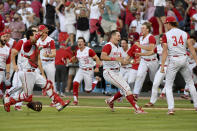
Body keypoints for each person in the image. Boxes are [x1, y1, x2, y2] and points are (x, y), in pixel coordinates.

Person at [3, 29, 70, 112]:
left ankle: (60, 103)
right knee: (27, 97)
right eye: (34, 34)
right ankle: (8, 102)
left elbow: (37, 59)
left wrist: (42, 72)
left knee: (47, 85)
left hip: (33, 72)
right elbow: (32, 41)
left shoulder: (35, 45)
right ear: (30, 36)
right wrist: (40, 33)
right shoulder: (27, 44)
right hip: (26, 73)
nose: (36, 36)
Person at [100, 30, 146, 114]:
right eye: (118, 36)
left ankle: (110, 100)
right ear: (112, 36)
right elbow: (102, 56)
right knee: (126, 88)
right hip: (109, 72)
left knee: (122, 90)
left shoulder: (117, 48)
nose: (119, 37)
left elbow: (122, 62)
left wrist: (132, 62)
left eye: (119, 36)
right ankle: (137, 109)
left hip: (117, 71)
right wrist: (115, 59)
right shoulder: (108, 45)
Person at [161, 16, 197, 115]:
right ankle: (196, 106)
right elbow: (191, 48)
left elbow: (164, 51)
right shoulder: (184, 33)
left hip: (174, 59)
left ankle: (171, 108)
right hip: (184, 58)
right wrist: (196, 61)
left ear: (169, 23)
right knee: (190, 83)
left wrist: (162, 65)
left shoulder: (166, 35)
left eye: (166, 24)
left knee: (168, 85)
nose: (166, 26)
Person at [69, 37, 101, 105]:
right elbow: (77, 59)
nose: (79, 43)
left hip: (89, 70)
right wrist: (72, 60)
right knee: (75, 83)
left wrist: (97, 67)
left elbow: (97, 58)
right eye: (78, 42)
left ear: (84, 43)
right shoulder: (77, 51)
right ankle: (75, 101)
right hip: (81, 69)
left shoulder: (89, 50)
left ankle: (95, 81)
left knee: (88, 91)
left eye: (81, 41)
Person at [133, 22, 158, 100]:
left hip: (152, 60)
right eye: (141, 28)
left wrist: (139, 46)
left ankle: (165, 84)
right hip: (144, 60)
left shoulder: (151, 37)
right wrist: (140, 55)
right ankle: (135, 94)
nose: (141, 29)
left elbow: (151, 48)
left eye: (143, 28)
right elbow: (144, 50)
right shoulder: (141, 37)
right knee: (139, 75)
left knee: (154, 79)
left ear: (148, 29)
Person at [144, 34, 168, 107]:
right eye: (160, 40)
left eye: (162, 40)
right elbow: (151, 52)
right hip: (161, 66)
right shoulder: (158, 47)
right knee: (155, 84)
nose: (161, 42)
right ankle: (152, 102)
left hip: (171, 67)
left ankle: (163, 93)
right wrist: (141, 54)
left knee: (169, 82)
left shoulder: (170, 47)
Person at [36, 25, 56, 92]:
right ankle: (44, 87)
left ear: (45, 31)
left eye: (41, 30)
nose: (39, 32)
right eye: (39, 30)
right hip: (41, 62)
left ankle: (55, 100)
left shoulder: (50, 40)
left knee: (51, 81)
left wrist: (48, 55)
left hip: (49, 62)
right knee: (34, 75)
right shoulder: (37, 40)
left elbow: (54, 54)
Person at [0, 32, 11, 102]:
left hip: (1, 71)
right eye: (3, 37)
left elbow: (8, 62)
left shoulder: (8, 49)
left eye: (6, 37)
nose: (5, 38)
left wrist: (8, 72)